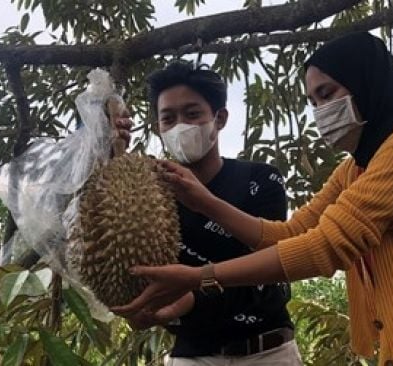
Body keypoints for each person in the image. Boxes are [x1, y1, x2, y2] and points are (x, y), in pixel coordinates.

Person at [112, 33, 393, 365]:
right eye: (312, 100)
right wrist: (204, 202)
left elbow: (327, 246)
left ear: (367, 84)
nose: (320, 110)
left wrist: (199, 277)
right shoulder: (356, 169)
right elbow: (288, 235)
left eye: (328, 93)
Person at [120, 61, 302, 365]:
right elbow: (135, 270)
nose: (181, 125)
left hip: (267, 353)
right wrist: (107, 151)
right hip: (192, 356)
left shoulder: (259, 180)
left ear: (220, 118)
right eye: (168, 118)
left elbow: (271, 269)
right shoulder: (149, 197)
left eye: (192, 114)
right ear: (158, 128)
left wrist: (187, 299)